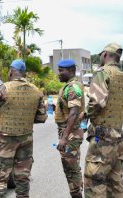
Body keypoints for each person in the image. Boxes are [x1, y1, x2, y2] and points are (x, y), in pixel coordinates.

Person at [81, 43, 123, 197]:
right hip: (118, 140)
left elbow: (96, 102)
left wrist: (85, 115)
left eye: (101, 54)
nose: (100, 57)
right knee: (115, 184)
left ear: (106, 54)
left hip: (102, 139)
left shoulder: (102, 73)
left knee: (94, 183)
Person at [0, 59, 47, 198]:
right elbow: (42, 118)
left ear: (11, 71)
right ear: (24, 73)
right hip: (26, 139)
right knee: (22, 178)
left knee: (0, 178)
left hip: (6, 140)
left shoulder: (4, 89)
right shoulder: (36, 91)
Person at [54, 59, 85, 198]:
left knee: (71, 170)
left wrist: (64, 138)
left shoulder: (72, 88)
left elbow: (73, 113)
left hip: (70, 133)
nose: (58, 73)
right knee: (73, 168)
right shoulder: (71, 86)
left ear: (71, 71)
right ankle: (78, 192)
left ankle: (77, 194)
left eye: (62, 70)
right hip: (71, 132)